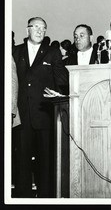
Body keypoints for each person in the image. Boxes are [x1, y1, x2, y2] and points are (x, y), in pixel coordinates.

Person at [12, 17, 69, 198]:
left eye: (43, 28)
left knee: (46, 162)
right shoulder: (15, 52)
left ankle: (46, 198)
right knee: (22, 160)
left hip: (45, 115)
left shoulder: (52, 53)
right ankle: (22, 198)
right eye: (36, 27)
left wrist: (60, 95)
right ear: (27, 30)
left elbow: (62, 81)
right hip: (21, 116)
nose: (39, 31)